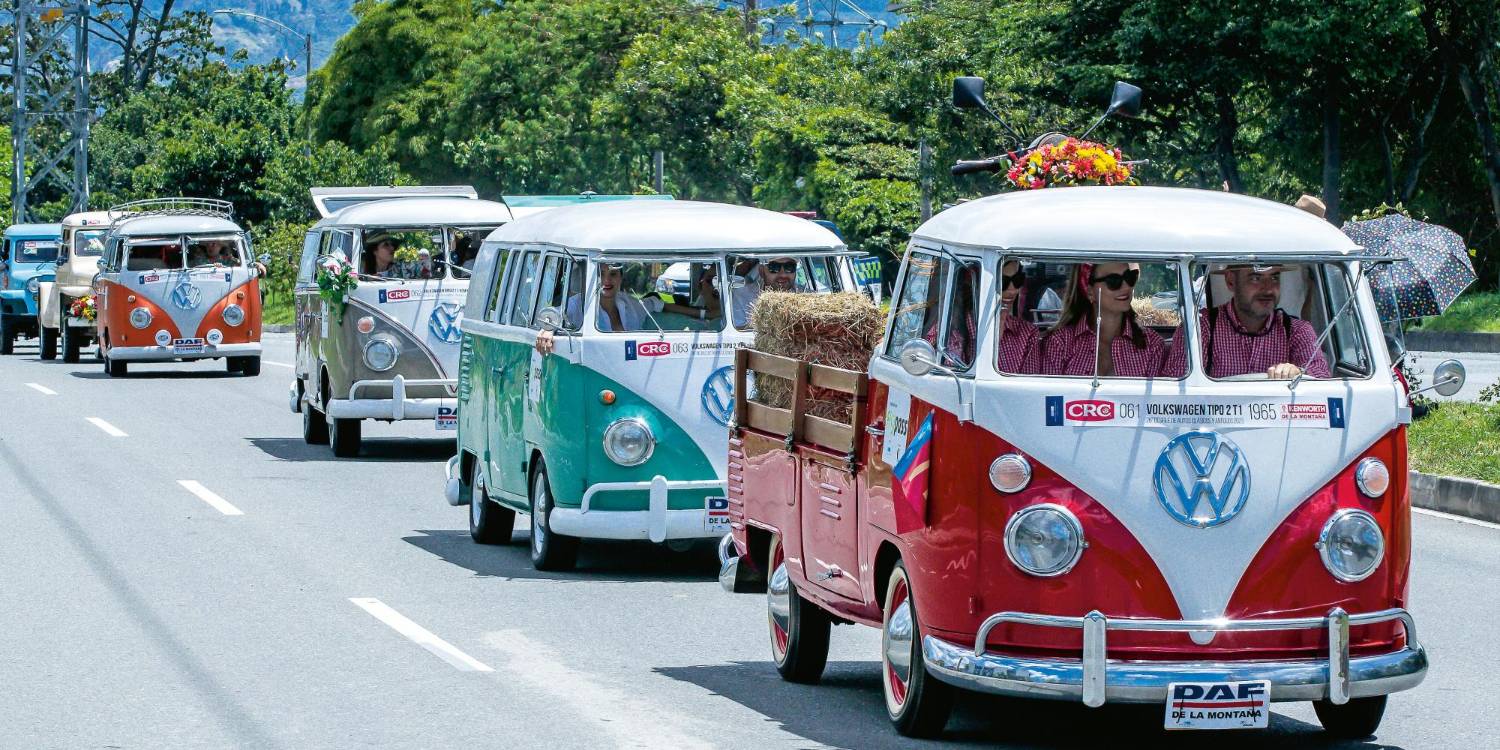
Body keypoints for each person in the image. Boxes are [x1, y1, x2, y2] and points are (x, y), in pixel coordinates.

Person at [535, 262, 710, 354]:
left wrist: (704, 313)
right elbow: (553, 316)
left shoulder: (628, 303)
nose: (607, 281)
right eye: (601, 275)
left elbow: (658, 304)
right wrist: (547, 330)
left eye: (613, 275)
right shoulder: (578, 304)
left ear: (620, 278)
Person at [1199, 264, 1330, 380]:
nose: (1268, 289)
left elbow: (1322, 377)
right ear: (1231, 281)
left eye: (1274, 278)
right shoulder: (1202, 328)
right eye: (1256, 278)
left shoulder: (1297, 330)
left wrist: (1299, 373)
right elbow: (1181, 387)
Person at [1040, 262, 1171, 378]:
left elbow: (1153, 403)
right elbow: (1048, 401)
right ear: (1090, 291)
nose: (1126, 287)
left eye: (1130, 277)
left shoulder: (1152, 344)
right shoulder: (1060, 343)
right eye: (1113, 281)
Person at [996, 260, 1041, 374]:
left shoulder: (1027, 333)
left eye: (1017, 280)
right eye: (1003, 282)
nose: (1012, 290)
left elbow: (1028, 386)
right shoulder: (962, 326)